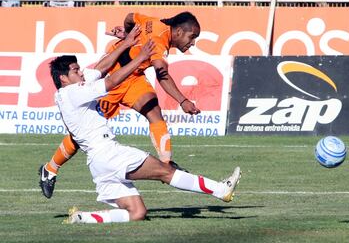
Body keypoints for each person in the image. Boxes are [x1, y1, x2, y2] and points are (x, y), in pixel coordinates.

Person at [48, 31, 241, 224]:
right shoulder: (73, 93)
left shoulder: (69, 91)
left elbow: (102, 69)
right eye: (76, 70)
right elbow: (112, 81)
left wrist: (125, 44)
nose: (81, 72)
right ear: (64, 78)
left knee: (137, 213)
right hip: (110, 154)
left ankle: (82, 218)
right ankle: (221, 190)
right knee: (166, 172)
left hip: (98, 165)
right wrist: (140, 57)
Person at [39, 11, 202, 199]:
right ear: (179, 31)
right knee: (83, 133)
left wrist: (128, 33)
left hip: (134, 77)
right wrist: (182, 100)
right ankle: (50, 169)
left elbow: (130, 16)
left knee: (154, 112)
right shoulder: (158, 40)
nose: (193, 43)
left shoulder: (152, 21)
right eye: (192, 37)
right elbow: (161, 75)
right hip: (113, 77)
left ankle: (167, 164)